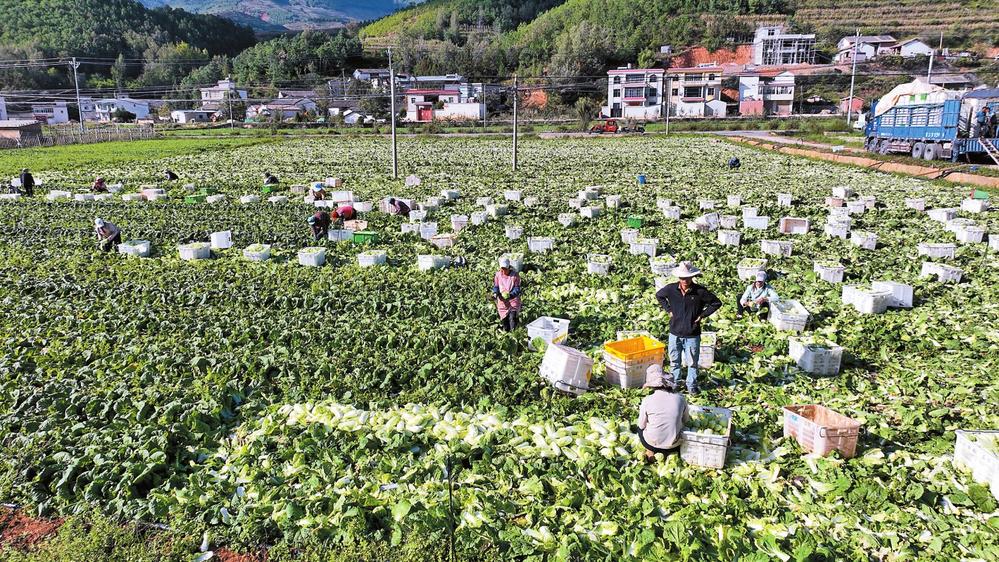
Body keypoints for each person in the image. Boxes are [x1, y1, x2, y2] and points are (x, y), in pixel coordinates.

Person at [654, 261, 721, 395]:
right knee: (674, 361)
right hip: (675, 333)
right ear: (678, 277)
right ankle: (675, 383)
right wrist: (668, 310)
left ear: (692, 277)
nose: (685, 280)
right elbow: (659, 296)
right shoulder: (671, 289)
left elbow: (716, 303)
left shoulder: (700, 291)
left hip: (692, 333)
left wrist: (702, 315)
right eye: (682, 277)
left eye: (687, 277)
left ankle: (691, 385)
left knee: (692, 363)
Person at [636, 364, 690, 462]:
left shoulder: (647, 400)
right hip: (674, 445)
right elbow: (686, 420)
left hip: (651, 443)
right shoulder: (681, 399)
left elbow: (641, 425)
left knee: (639, 430)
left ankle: (650, 451)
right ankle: (669, 453)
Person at [493, 257, 522, 332]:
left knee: (512, 318)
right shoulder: (498, 275)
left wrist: (511, 295)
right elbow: (496, 286)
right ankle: (506, 332)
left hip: (513, 300)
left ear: (509, 267)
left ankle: (514, 333)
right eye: (502, 269)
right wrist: (495, 293)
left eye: (505, 268)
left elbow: (517, 288)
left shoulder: (515, 276)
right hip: (502, 301)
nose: (503, 270)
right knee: (504, 320)